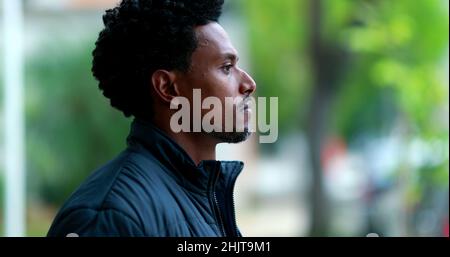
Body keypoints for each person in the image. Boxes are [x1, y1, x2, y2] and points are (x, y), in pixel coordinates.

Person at [47, 0, 256, 237]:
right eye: (227, 67)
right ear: (167, 88)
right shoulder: (108, 216)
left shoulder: (201, 196)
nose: (249, 84)